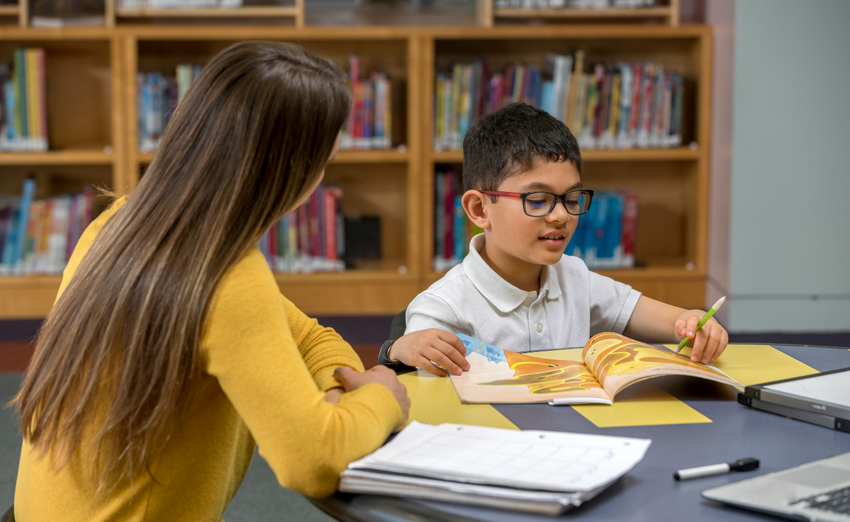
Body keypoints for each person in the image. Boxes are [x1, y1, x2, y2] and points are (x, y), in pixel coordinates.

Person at [12, 41, 409, 522]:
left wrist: (335, 388)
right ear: (294, 172)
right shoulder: (226, 279)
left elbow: (305, 335)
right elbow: (314, 462)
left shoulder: (119, 224)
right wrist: (380, 396)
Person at [382, 102, 728, 377]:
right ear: (479, 209)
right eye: (537, 200)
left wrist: (692, 322)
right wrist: (402, 347)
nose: (561, 215)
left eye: (571, 198)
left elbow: (661, 318)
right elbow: (412, 360)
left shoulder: (573, 276)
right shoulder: (444, 305)